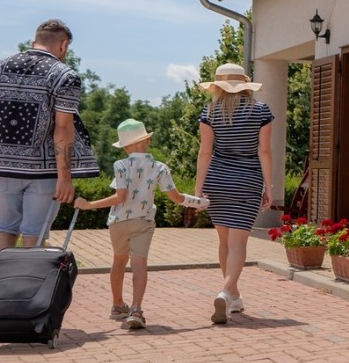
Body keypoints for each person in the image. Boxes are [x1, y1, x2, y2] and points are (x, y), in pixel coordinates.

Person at [0, 18, 99, 265]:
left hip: (3, 167)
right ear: (63, 45)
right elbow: (63, 128)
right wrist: (65, 177)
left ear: (35, 40)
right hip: (43, 172)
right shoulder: (64, 75)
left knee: (5, 230)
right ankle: (27, 287)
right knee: (34, 235)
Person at [75, 118, 206, 331]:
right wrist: (201, 202)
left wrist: (89, 205)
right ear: (147, 141)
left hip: (118, 222)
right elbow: (176, 198)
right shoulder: (160, 167)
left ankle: (117, 305)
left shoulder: (120, 165)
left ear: (125, 147)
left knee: (118, 261)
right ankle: (136, 310)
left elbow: (120, 197)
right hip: (143, 221)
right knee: (139, 264)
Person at [195, 63, 273, 324]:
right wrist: (269, 186)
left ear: (218, 86)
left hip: (217, 180)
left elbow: (205, 152)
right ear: (245, 85)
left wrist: (199, 188)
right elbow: (264, 152)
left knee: (225, 242)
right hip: (247, 180)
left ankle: (234, 296)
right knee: (238, 244)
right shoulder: (261, 110)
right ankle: (227, 291)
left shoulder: (209, 111)